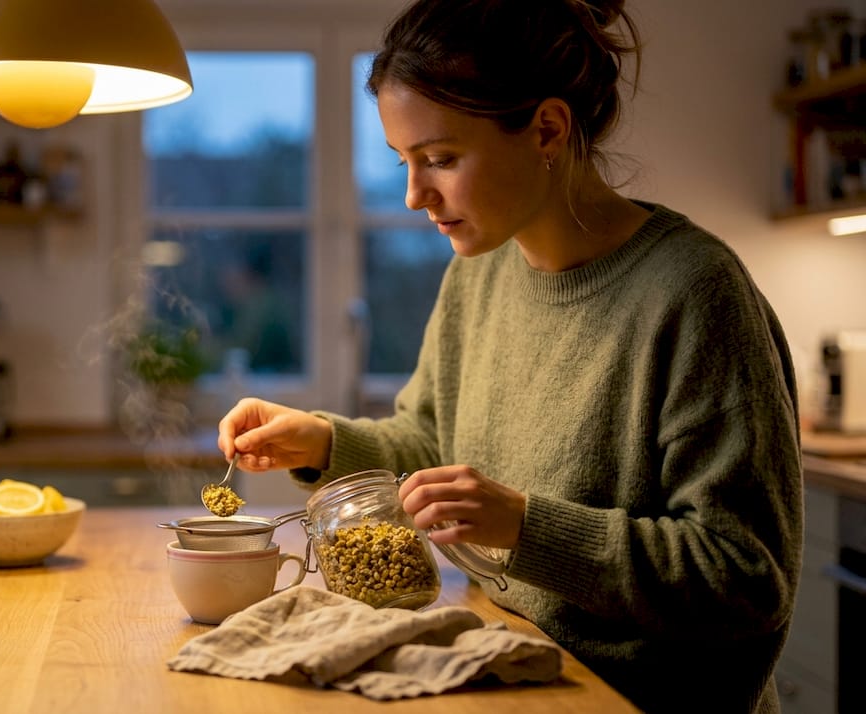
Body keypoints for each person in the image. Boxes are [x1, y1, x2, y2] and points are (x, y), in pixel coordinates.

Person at [215, 1, 803, 712]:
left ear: (547, 130)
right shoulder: (479, 272)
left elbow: (744, 579)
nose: (412, 195)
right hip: (510, 672)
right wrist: (320, 441)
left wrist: (527, 526)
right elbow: (433, 446)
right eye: (404, 162)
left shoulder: (694, 293)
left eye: (440, 159)